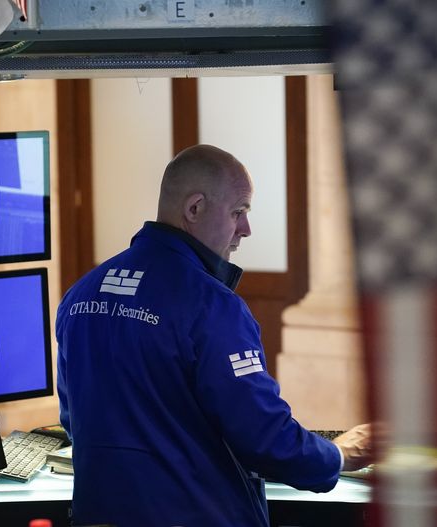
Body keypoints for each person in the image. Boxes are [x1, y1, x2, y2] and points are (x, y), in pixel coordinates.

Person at [56, 144, 373, 526]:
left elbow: (77, 420)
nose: (246, 229)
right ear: (194, 209)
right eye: (238, 212)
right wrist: (340, 454)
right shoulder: (211, 306)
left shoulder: (81, 294)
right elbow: (264, 440)